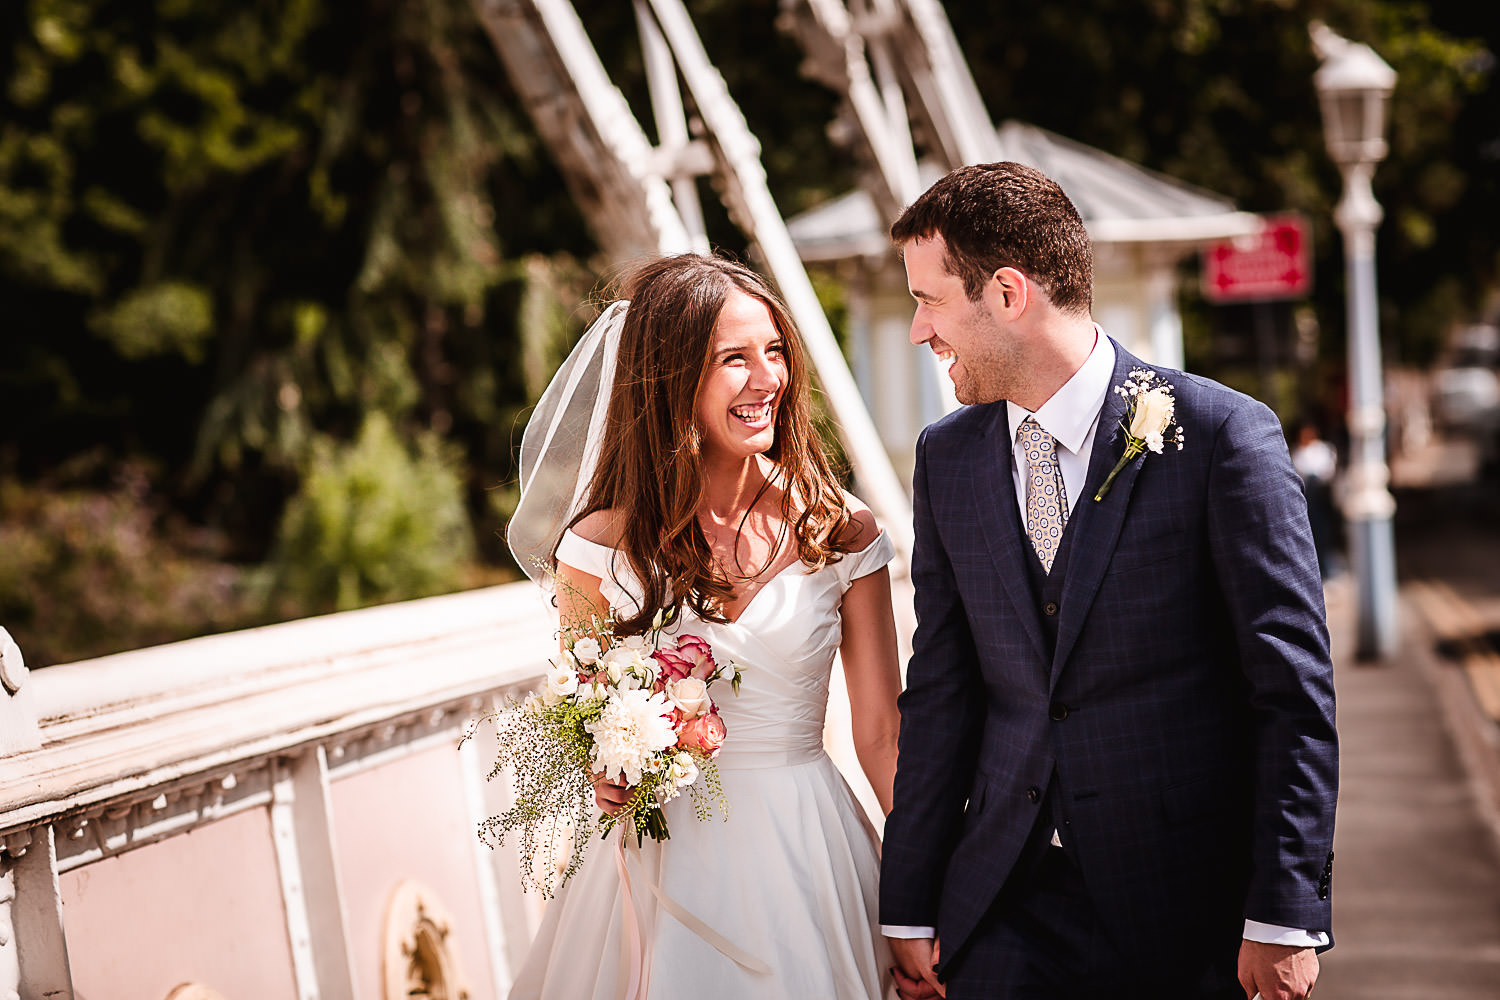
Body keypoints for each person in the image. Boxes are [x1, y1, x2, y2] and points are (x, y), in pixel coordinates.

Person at [877, 163, 1338, 1000]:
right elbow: (941, 691)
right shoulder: (947, 458)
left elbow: (1291, 693)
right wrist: (907, 902)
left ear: (1008, 293)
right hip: (1003, 908)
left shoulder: (1221, 437)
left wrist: (1283, 911)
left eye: (930, 300)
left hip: (1188, 913)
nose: (919, 331)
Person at [504, 253, 903, 1000]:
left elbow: (882, 733)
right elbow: (583, 713)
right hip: (662, 859)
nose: (767, 379)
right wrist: (608, 766)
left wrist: (925, 894)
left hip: (810, 853)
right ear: (672, 377)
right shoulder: (598, 547)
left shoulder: (839, 530)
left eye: (775, 351)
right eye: (734, 359)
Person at [1291, 422, 1340, 579]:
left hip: (1321, 500)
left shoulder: (1323, 450)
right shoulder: (1297, 452)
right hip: (1308, 503)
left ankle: (1327, 569)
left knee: (1324, 534)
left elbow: (1327, 473)